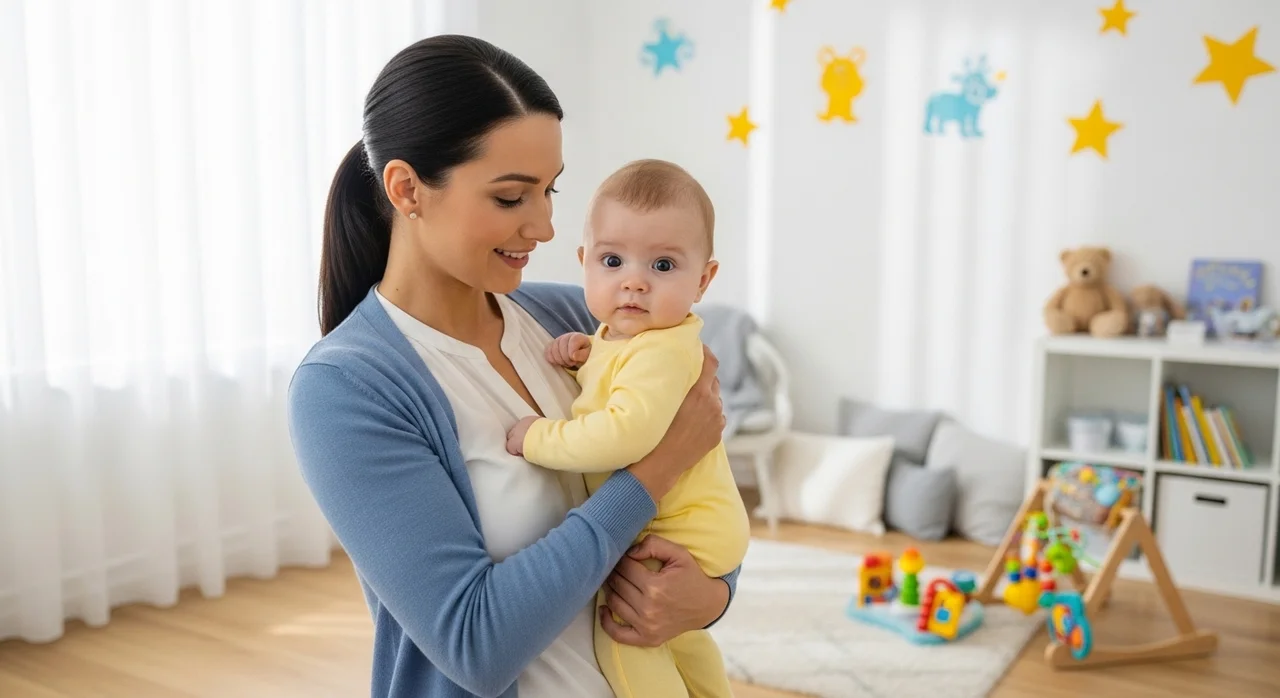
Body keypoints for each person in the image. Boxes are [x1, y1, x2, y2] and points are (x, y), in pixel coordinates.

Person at [286, 34, 740, 698]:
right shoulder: (347, 391)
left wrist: (709, 597)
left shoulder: (577, 322)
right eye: (510, 198)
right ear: (407, 189)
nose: (547, 228)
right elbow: (475, 644)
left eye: (550, 191)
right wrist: (654, 468)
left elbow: (702, 505)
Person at [506, 159, 750, 698]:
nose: (634, 282)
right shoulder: (625, 336)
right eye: (612, 260)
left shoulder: (661, 350)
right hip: (699, 525)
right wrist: (584, 356)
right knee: (684, 645)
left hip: (677, 532)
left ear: (704, 279)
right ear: (585, 263)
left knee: (629, 640)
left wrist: (537, 437)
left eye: (663, 266)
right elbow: (617, 376)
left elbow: (624, 435)